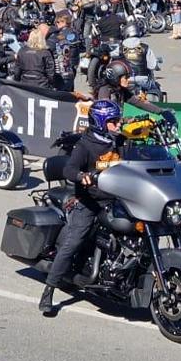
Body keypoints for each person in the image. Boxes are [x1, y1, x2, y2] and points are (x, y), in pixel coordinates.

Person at [41, 99, 121, 317]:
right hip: (90, 201)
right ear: (101, 122)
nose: (118, 125)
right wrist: (81, 176)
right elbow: (69, 169)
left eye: (118, 120)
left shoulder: (119, 141)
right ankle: (49, 289)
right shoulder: (85, 145)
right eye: (113, 121)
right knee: (73, 241)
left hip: (117, 197)